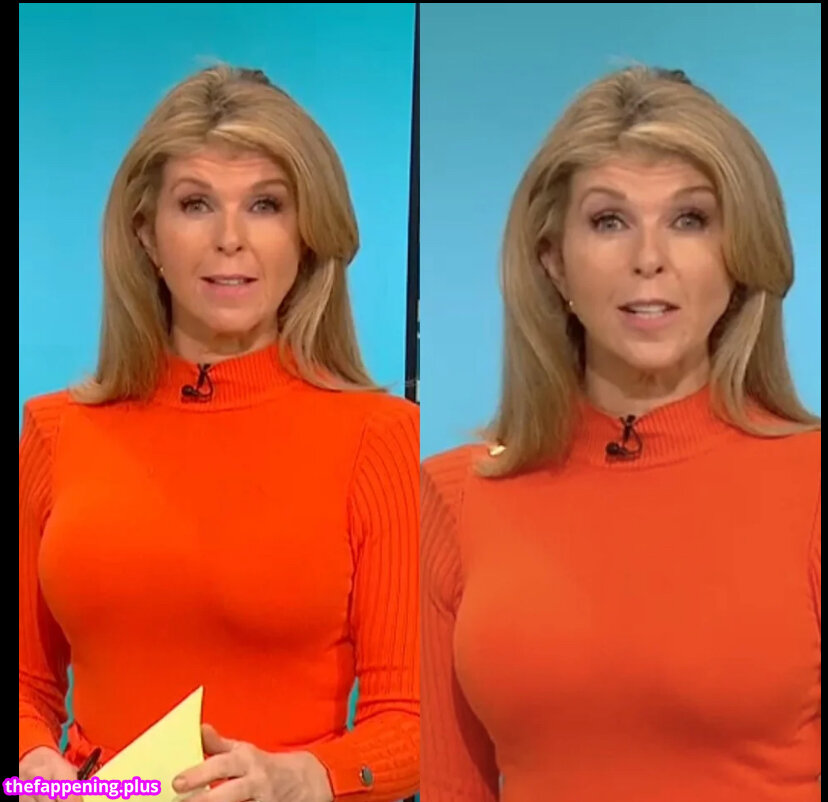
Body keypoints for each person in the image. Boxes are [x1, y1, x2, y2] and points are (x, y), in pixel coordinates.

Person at [19, 65, 419, 802]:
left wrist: (305, 777)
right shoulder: (55, 431)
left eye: (265, 205)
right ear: (146, 233)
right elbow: (25, 684)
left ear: (307, 235)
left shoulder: (380, 437)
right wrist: (35, 761)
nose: (230, 239)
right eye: (196, 204)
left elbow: (413, 721)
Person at [421, 66, 820, 802]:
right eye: (610, 221)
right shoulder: (453, 499)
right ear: (553, 260)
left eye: (690, 219)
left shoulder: (812, 484)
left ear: (741, 256)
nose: (649, 258)